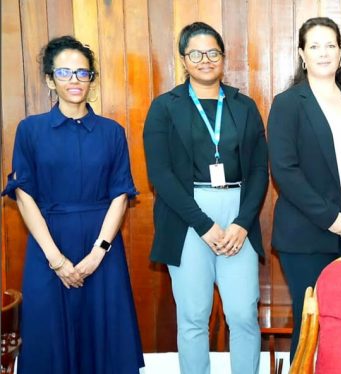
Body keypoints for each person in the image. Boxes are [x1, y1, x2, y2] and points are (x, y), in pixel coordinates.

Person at [1, 35, 144, 373]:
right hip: (48, 246)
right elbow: (24, 195)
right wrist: (56, 260)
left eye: (82, 73)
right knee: (49, 341)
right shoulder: (30, 130)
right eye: (64, 73)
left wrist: (98, 253)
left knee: (105, 337)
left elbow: (120, 195)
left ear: (92, 79)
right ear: (50, 79)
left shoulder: (112, 132)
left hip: (101, 249)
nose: (74, 81)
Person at [143, 22, 268, 374]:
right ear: (184, 60)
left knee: (244, 313)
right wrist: (203, 224)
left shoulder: (244, 106)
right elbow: (161, 176)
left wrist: (243, 223)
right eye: (195, 53)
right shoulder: (164, 107)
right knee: (194, 316)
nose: (205, 60)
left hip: (237, 214)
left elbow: (260, 169)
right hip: (186, 216)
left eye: (212, 52)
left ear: (223, 58)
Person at [267, 17, 341, 361]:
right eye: (314, 46)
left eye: (330, 45)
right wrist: (331, 218)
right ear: (302, 54)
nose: (323, 53)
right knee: (311, 326)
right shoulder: (288, 103)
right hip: (305, 239)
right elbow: (285, 172)